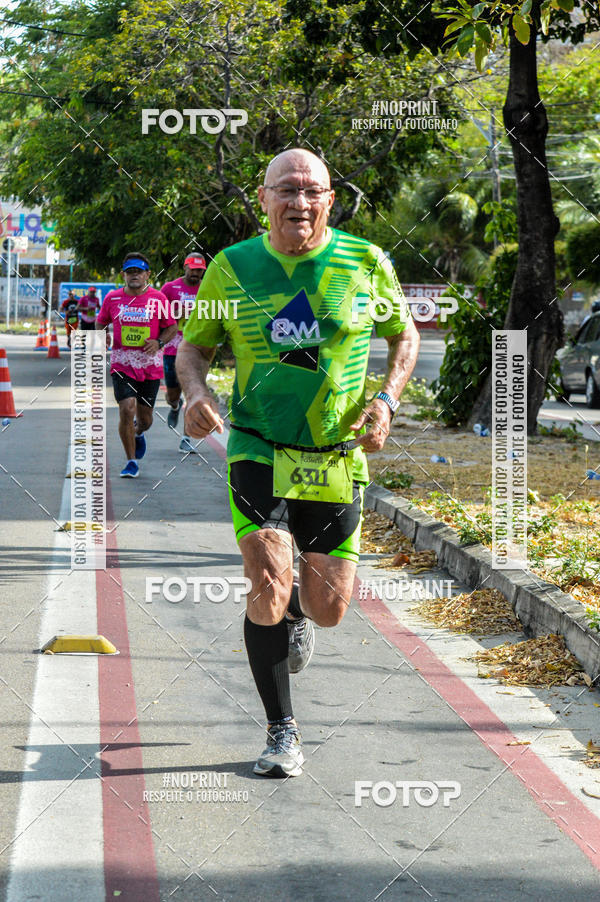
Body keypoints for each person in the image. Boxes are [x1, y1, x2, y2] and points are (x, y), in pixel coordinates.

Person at [177, 148, 420, 777]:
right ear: (262, 199)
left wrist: (387, 399)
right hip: (258, 444)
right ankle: (281, 730)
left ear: (330, 200)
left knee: (328, 606)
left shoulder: (365, 262)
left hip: (336, 454)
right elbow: (193, 350)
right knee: (267, 578)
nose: (300, 202)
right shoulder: (232, 269)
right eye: (286, 190)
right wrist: (197, 393)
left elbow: (405, 334)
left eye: (313, 191)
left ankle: (294, 615)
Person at [96, 253, 176, 478]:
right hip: (122, 363)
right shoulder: (112, 298)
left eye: (138, 272)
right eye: (130, 272)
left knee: (145, 419)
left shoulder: (158, 299)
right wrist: (103, 337)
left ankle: (139, 433)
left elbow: (171, 327)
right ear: (123, 275)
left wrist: (159, 342)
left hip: (150, 365)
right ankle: (131, 462)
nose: (134, 276)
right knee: (126, 408)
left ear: (147, 275)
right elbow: (101, 321)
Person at [160, 254, 207, 452]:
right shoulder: (170, 288)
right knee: (173, 394)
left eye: (200, 270)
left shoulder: (208, 287)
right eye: (193, 269)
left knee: (193, 392)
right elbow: (159, 314)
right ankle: (174, 406)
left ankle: (187, 438)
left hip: (197, 349)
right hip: (173, 348)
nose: (196, 274)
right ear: (185, 267)